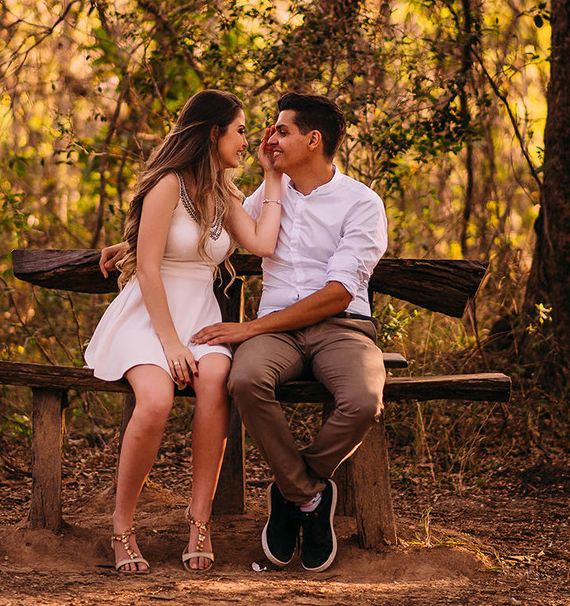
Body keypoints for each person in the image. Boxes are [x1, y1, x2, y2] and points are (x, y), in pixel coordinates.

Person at [84, 90, 284, 574]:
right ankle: (122, 525)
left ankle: (199, 520)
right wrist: (171, 344)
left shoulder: (224, 193)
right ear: (213, 132)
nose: (246, 140)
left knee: (216, 381)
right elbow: (149, 270)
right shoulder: (167, 184)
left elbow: (262, 241)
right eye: (239, 130)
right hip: (148, 316)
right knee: (155, 400)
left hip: (199, 314)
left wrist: (273, 176)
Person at [190, 92, 388, 573]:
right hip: (278, 335)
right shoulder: (265, 197)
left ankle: (291, 491)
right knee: (244, 380)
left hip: (341, 329)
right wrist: (130, 243)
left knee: (364, 401)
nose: (269, 138)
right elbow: (195, 223)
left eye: (281, 131)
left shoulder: (361, 203)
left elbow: (338, 294)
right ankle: (311, 500)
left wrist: (249, 327)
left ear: (313, 139)